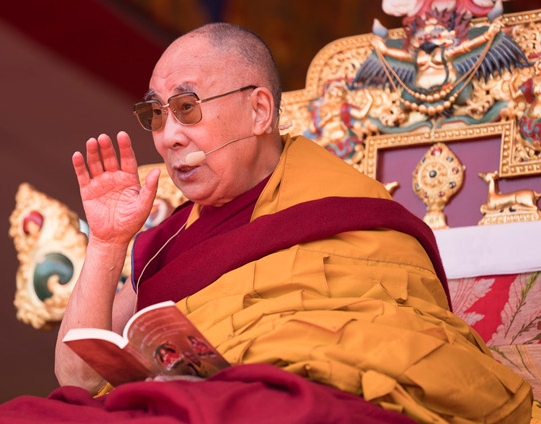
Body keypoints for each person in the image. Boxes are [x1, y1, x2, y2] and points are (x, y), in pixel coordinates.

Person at [55, 23, 532, 423]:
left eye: (187, 108)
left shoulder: (351, 214)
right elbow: (75, 378)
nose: (170, 138)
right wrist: (107, 241)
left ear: (260, 110)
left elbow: (400, 350)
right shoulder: (168, 242)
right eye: (156, 115)